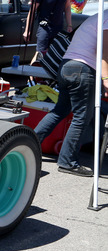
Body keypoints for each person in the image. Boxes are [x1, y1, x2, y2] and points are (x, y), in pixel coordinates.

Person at [34, 13, 108, 177]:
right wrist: (106, 79)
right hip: (82, 70)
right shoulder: (107, 18)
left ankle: (29, 145)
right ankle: (67, 161)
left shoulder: (98, 16)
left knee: (59, 111)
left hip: (67, 66)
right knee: (81, 117)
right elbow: (103, 53)